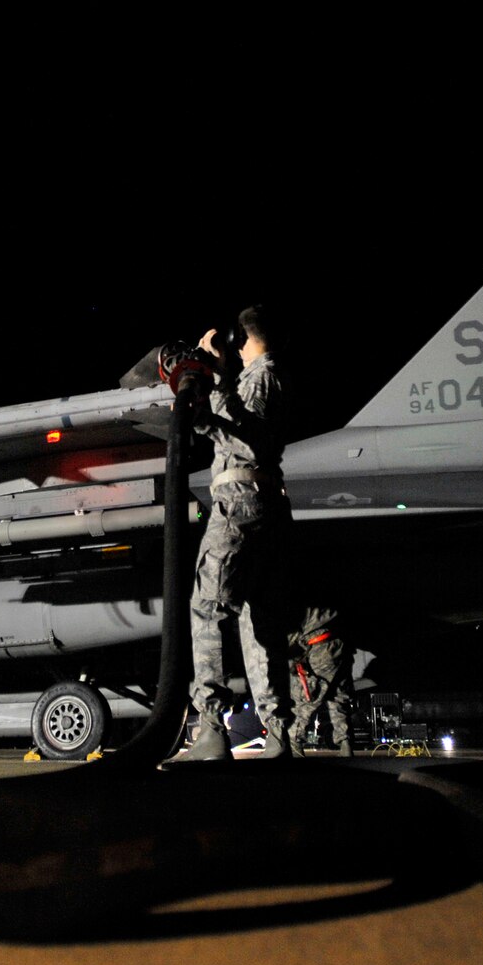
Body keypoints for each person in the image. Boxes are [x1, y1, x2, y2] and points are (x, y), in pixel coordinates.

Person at [170, 305, 293, 762]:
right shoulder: (268, 378)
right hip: (265, 507)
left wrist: (217, 384)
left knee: (209, 607)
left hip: (241, 501)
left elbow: (247, 441)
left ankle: (211, 730)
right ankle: (278, 734)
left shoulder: (260, 377)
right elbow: (241, 430)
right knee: (259, 622)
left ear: (242, 340)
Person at [288, 606, 354, 756]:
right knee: (338, 697)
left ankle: (294, 741)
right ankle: (346, 744)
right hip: (340, 646)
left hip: (319, 646)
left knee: (307, 697)